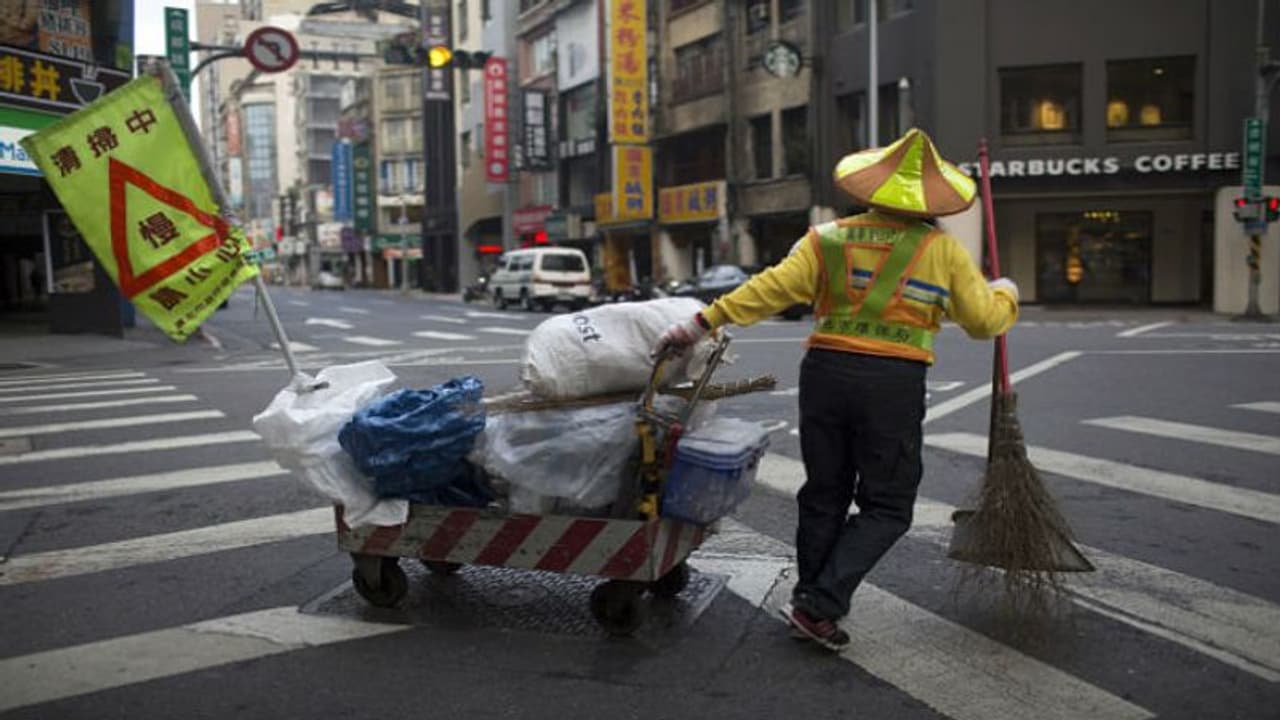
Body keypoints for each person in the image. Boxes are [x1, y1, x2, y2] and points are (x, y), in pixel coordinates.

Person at [652, 128, 1019, 651]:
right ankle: (818, 604)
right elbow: (984, 322)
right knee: (888, 505)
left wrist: (699, 323)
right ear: (927, 202)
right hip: (892, 383)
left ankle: (811, 597)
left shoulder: (826, 238)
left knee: (825, 493)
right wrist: (1006, 296)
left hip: (825, 374)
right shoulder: (942, 251)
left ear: (873, 189)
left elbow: (770, 288)